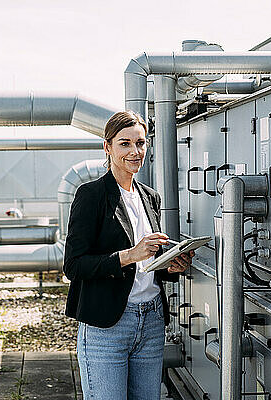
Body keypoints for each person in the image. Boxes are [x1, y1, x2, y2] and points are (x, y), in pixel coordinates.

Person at [63, 110, 195, 399]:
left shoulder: (150, 197)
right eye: (125, 143)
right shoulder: (91, 195)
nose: (135, 151)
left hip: (151, 320)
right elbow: (73, 266)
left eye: (141, 143)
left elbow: (148, 266)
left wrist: (170, 267)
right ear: (107, 147)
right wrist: (129, 255)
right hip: (107, 325)